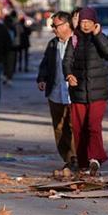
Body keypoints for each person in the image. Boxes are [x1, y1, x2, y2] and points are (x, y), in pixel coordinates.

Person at [64, 7, 108, 175]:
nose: (85, 25)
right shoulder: (74, 39)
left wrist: (98, 35)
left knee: (93, 125)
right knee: (78, 128)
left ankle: (95, 158)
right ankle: (83, 162)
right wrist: (68, 74)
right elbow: (67, 60)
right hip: (78, 92)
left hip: (98, 91)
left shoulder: (99, 37)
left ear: (95, 23)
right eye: (83, 22)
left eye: (88, 22)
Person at [36, 12, 76, 170]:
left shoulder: (77, 42)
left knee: (73, 126)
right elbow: (45, 63)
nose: (53, 29)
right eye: (52, 26)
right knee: (59, 127)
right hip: (55, 92)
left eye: (55, 26)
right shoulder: (53, 44)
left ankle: (77, 158)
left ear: (66, 25)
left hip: (73, 94)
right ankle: (68, 158)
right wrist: (41, 78)